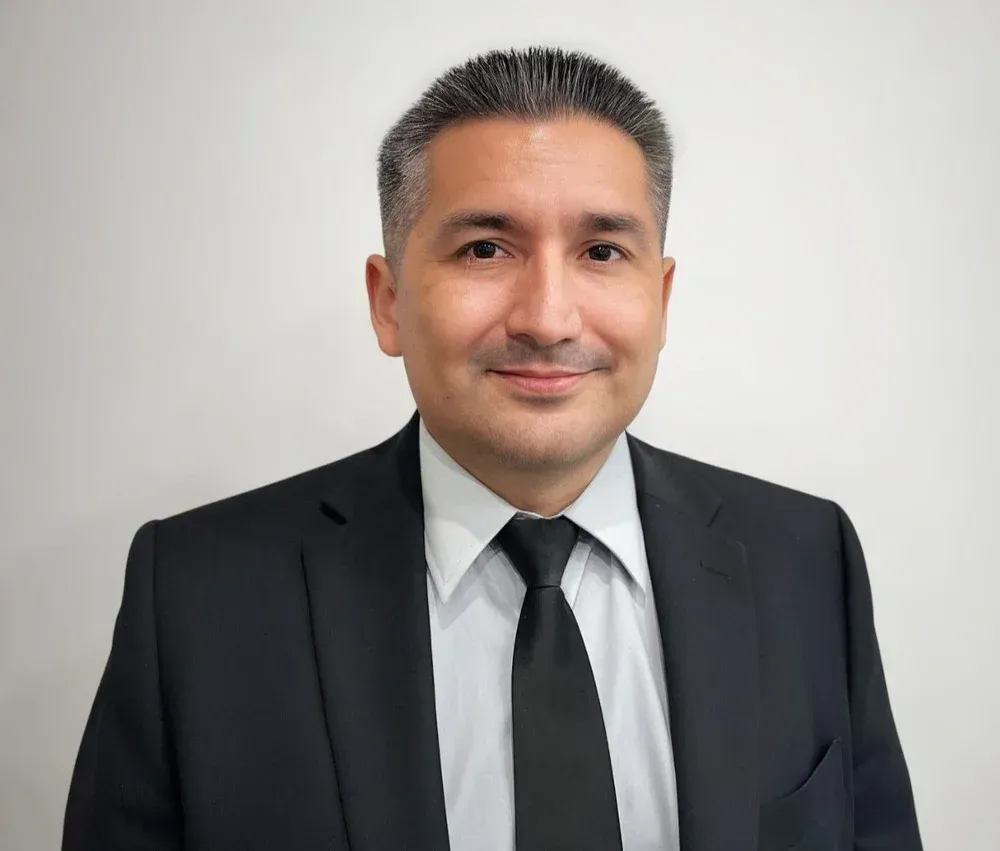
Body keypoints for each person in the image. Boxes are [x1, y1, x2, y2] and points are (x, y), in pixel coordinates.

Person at [62, 46, 923, 851]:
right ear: (389, 301)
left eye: (601, 250)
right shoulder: (197, 594)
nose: (547, 318)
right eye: (485, 248)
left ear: (660, 299)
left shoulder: (806, 560)